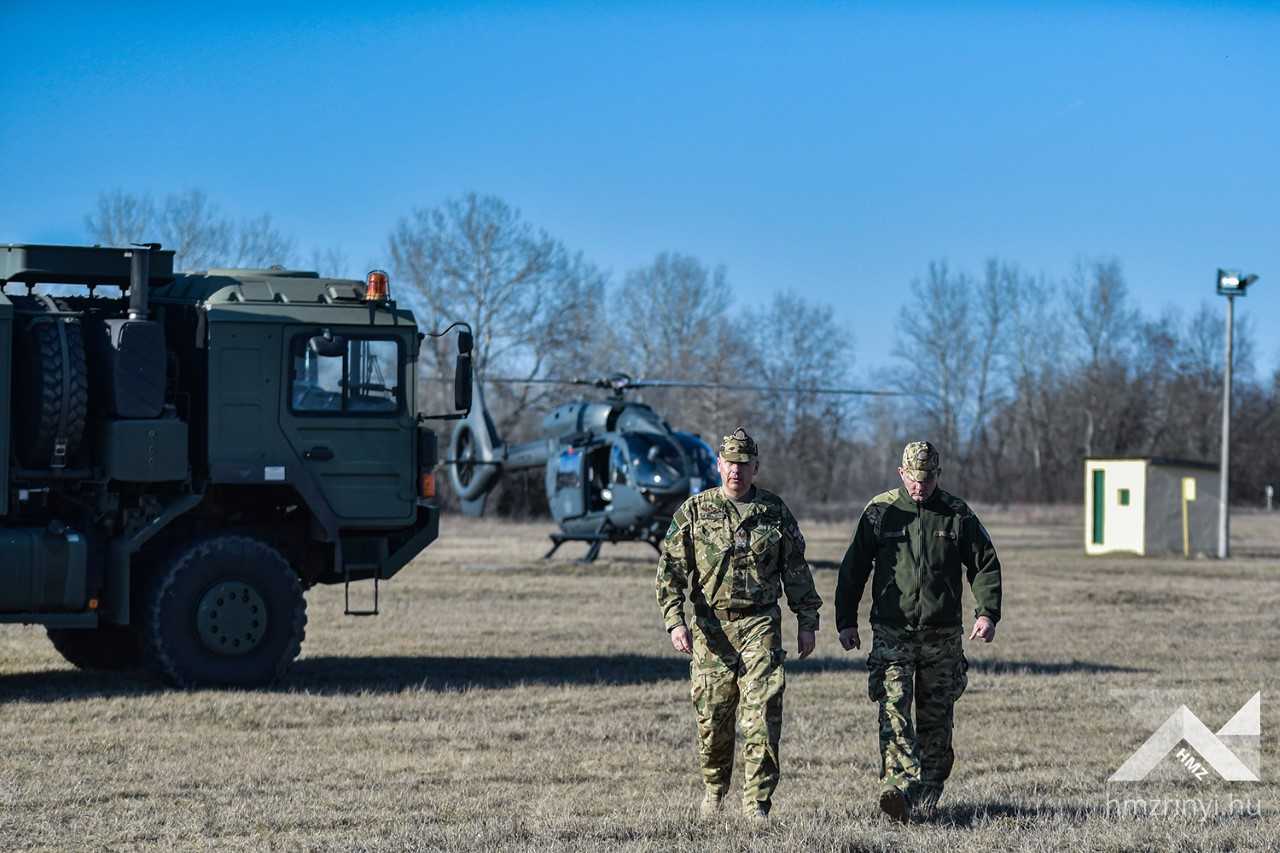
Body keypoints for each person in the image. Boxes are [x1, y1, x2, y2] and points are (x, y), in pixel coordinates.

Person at [655, 427, 822, 822]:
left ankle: (756, 805)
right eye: (730, 463)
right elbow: (670, 572)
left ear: (756, 467)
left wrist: (807, 620)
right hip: (711, 630)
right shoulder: (694, 511)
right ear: (719, 466)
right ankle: (714, 791)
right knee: (713, 720)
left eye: (744, 465)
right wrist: (674, 621)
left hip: (759, 624)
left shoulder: (774, 511)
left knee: (762, 714)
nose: (737, 471)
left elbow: (796, 570)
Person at [835, 441, 1002, 822]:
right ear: (901, 473)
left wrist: (986, 613)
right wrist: (846, 620)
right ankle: (896, 786)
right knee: (893, 707)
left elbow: (985, 564)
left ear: (937, 477)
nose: (919, 486)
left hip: (941, 636)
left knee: (936, 720)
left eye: (926, 479)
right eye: (913, 478)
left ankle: (924, 795)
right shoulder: (880, 512)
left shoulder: (956, 514)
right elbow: (854, 568)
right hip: (892, 632)